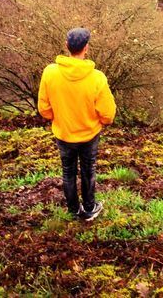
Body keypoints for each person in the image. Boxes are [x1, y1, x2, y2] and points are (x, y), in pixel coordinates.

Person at [37, 27, 116, 221]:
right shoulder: (97, 78)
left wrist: (58, 118)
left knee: (68, 172)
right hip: (90, 134)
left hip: (63, 133)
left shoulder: (50, 73)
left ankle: (73, 210)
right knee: (88, 170)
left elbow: (44, 109)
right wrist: (99, 122)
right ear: (86, 48)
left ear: (67, 46)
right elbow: (108, 114)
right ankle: (89, 208)